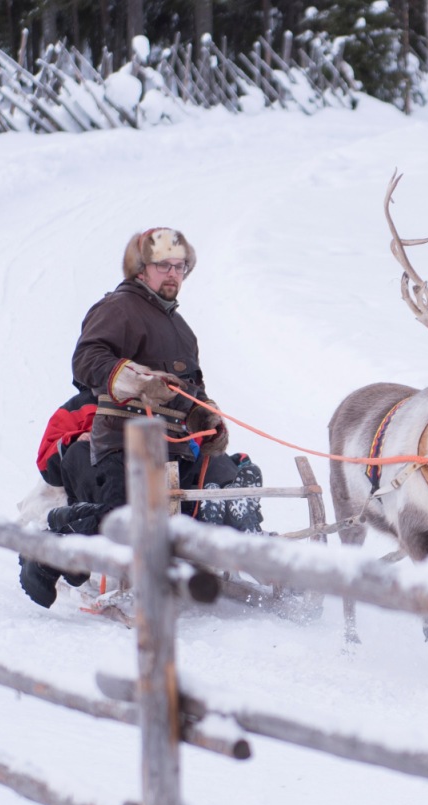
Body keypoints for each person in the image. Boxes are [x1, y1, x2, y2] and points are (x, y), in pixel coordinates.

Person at [19, 227, 263, 607]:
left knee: (192, 513)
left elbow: (190, 392)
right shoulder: (118, 308)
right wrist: (135, 379)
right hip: (123, 442)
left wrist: (206, 419)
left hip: (174, 449)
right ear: (140, 269)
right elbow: (86, 359)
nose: (172, 274)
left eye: (180, 266)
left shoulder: (182, 330)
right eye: (162, 265)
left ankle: (236, 555)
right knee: (123, 521)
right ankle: (51, 539)